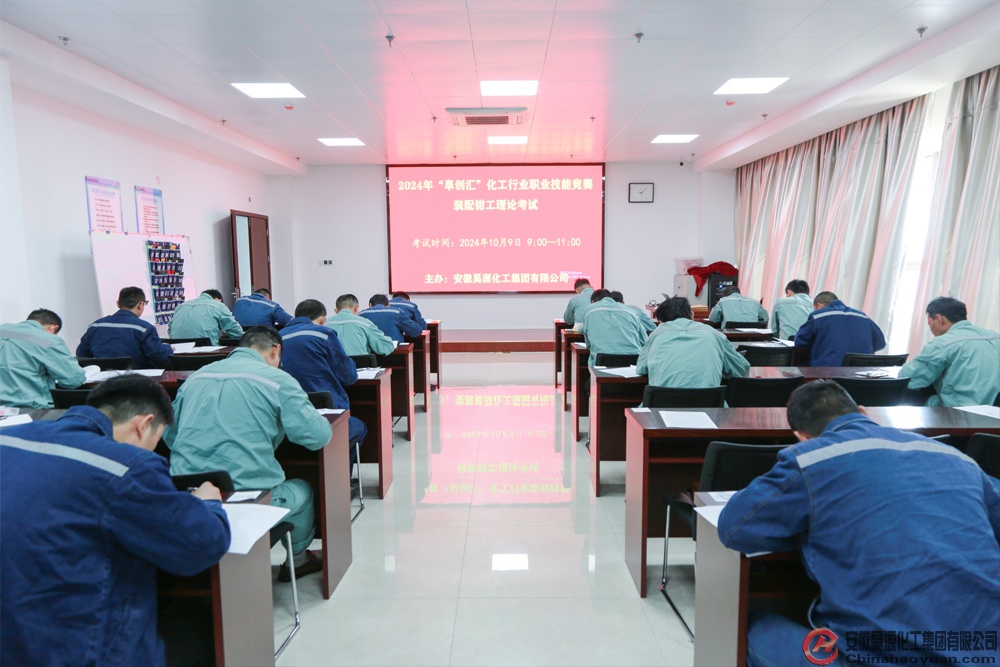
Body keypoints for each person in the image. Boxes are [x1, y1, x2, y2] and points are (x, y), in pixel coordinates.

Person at [718, 380, 999, 667]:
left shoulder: (810, 458)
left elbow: (734, 528)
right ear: (864, 412)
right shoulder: (955, 457)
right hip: (987, 651)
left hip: (877, 656)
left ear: (801, 436)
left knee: (749, 627)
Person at [0, 375, 230, 667]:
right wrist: (207, 503)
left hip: (11, 633)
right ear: (143, 424)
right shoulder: (126, 465)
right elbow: (202, 545)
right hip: (75, 647)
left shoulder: (9, 438)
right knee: (198, 626)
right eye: (155, 441)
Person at [164, 326, 332, 580]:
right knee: (304, 490)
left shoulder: (196, 378)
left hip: (189, 496)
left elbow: (171, 436)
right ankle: (298, 561)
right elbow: (317, 437)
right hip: (248, 497)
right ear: (275, 351)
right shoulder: (279, 380)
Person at [281, 299, 367, 449]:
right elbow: (348, 376)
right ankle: (342, 464)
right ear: (322, 320)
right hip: (328, 410)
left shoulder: (277, 337)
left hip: (290, 414)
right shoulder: (324, 334)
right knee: (359, 427)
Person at [899, 296, 1000, 407]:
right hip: (994, 411)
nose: (931, 329)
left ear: (939, 319)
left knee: (911, 396)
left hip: (960, 412)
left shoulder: (942, 343)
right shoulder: (996, 337)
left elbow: (909, 379)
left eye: (929, 323)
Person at [637, 296, 749, 387]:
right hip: (709, 404)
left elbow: (641, 369)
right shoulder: (714, 334)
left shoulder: (656, 335)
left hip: (662, 404)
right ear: (692, 315)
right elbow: (742, 368)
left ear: (661, 321)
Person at [0, 308, 88, 409]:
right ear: (53, 327)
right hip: (30, 408)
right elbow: (74, 379)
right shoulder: (49, 340)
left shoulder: (3, 330)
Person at [77, 286, 173, 369]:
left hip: (103, 381)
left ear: (118, 304)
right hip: (137, 380)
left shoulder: (95, 326)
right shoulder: (144, 328)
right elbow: (160, 357)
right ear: (140, 305)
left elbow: (81, 354)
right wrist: (167, 348)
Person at [794, 291, 886, 366]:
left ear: (819, 306)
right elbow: (880, 343)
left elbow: (800, 342)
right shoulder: (863, 316)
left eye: (814, 308)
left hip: (828, 377)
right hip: (862, 378)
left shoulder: (818, 315)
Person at [580, 289, 648, 367]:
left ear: (592, 302)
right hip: (633, 361)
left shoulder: (590, 310)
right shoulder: (631, 311)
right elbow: (644, 341)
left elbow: (588, 344)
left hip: (603, 362)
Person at [327, 293, 395, 357]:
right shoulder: (364, 323)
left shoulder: (325, 324)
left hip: (332, 365)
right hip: (359, 365)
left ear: (336, 311)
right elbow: (386, 347)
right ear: (356, 308)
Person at [168, 289, 244, 345]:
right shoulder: (218, 305)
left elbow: (170, 330)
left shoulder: (180, 306)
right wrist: (225, 333)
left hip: (177, 353)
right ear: (219, 299)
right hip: (208, 353)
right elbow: (237, 333)